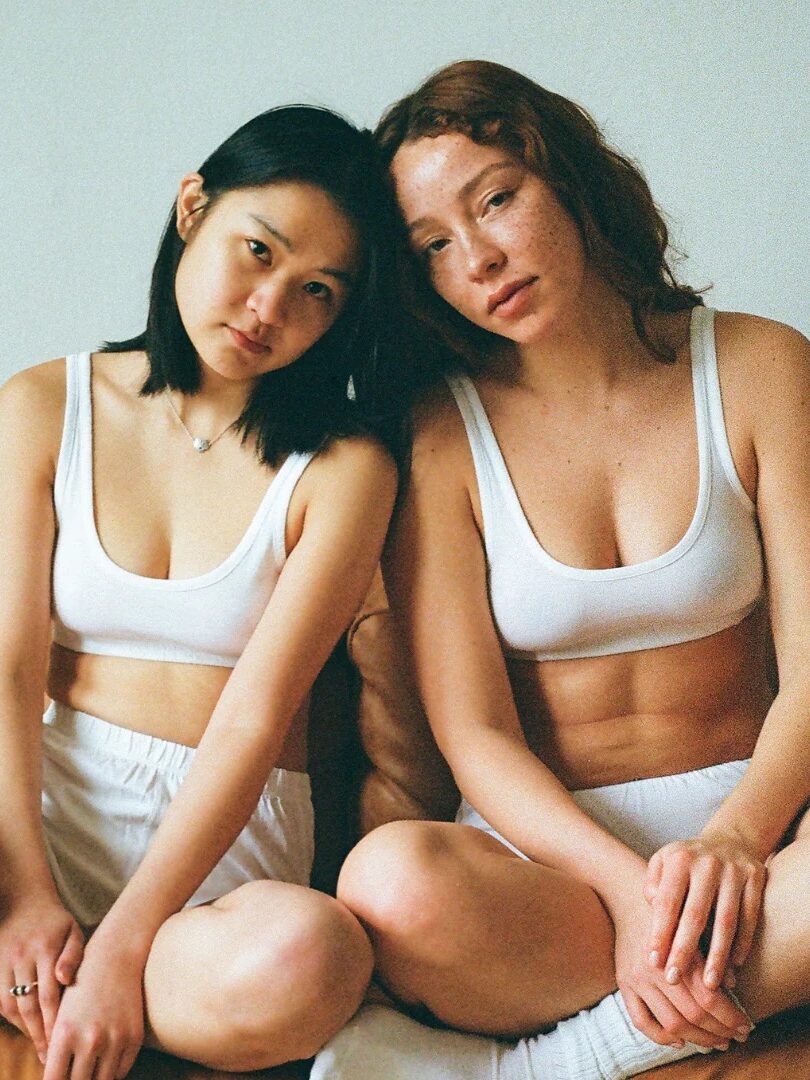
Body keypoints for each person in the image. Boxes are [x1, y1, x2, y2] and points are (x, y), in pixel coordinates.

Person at [316, 60, 810, 1079]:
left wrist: (735, 841)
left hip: (762, 848)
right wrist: (633, 896)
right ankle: (710, 990)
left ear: (570, 179)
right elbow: (474, 733)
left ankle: (566, 1058)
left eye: (496, 199)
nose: (481, 259)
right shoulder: (441, 433)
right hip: (552, 876)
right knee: (390, 881)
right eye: (435, 248)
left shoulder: (761, 365)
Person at [0, 104, 402, 1080]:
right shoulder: (46, 405)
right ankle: (51, 977)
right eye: (255, 251)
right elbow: (9, 670)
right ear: (192, 209)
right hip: (47, 833)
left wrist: (126, 943)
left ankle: (88, 1001)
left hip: (216, 889)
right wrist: (23, 895)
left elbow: (254, 718)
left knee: (318, 956)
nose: (269, 307)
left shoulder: (346, 467)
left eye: (317, 291)